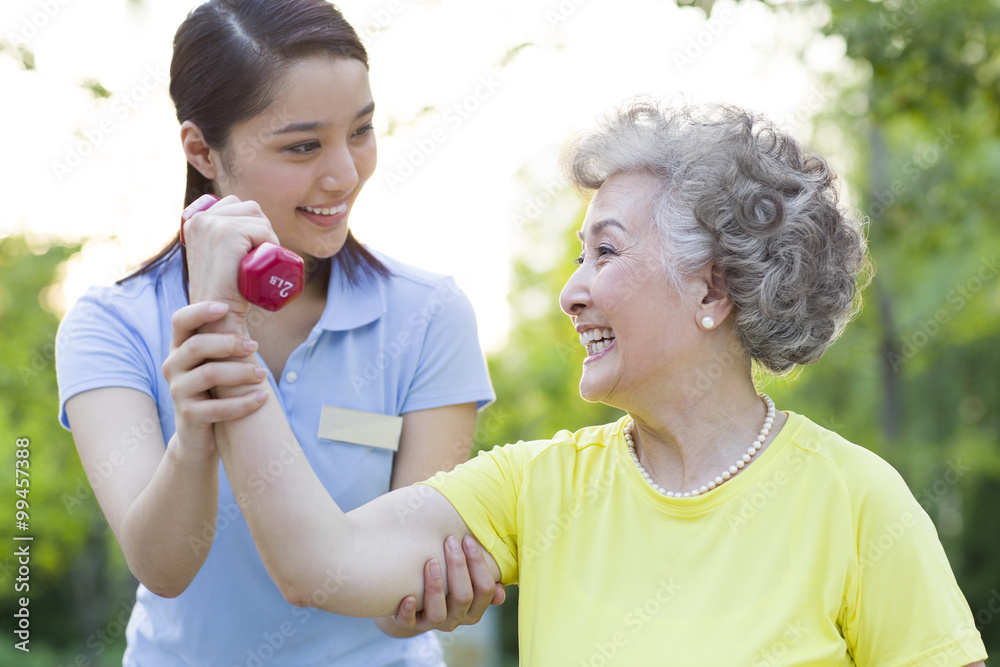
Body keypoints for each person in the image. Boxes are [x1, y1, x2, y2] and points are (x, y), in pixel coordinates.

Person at [173, 98, 989, 665]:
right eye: (577, 256)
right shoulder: (536, 488)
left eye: (606, 251)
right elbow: (322, 561)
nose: (571, 291)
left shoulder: (856, 503)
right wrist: (225, 331)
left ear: (712, 291)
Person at [55, 0, 503, 664]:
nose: (344, 174)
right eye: (302, 145)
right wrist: (197, 425)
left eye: (361, 130)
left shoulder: (429, 315)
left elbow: (394, 597)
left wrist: (426, 600)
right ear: (201, 149)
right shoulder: (108, 326)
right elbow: (164, 566)